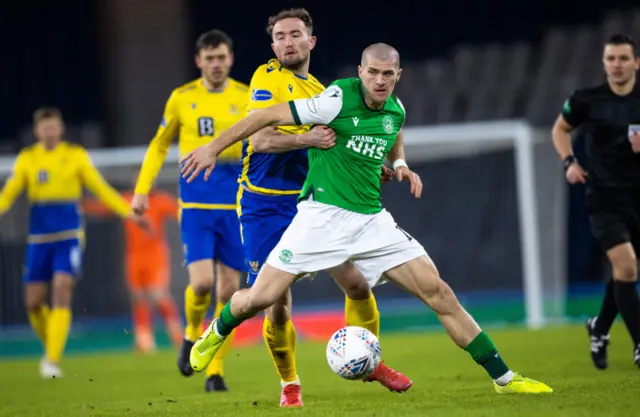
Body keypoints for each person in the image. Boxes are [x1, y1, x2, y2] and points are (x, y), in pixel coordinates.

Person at [182, 43, 553, 397]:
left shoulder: (396, 109)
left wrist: (400, 164)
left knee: (439, 292)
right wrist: (214, 148)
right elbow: (265, 116)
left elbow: (393, 131)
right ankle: (216, 331)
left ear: (397, 75)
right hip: (320, 220)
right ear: (361, 72)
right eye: (372, 72)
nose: (379, 80)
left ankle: (504, 378)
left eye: (387, 74)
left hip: (372, 223)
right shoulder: (337, 99)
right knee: (261, 298)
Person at [236, 8, 406, 407]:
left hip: (313, 206)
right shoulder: (267, 78)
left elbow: (342, 141)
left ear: (311, 42)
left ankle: (372, 361)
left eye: (295, 34)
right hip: (264, 206)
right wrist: (307, 139)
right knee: (275, 306)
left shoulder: (319, 89)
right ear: (273, 45)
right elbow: (260, 141)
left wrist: (375, 164)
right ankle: (289, 384)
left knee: (358, 284)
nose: (287, 42)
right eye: (279, 36)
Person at [131, 29, 247, 392]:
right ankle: (191, 334)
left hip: (238, 208)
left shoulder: (247, 97)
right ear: (199, 61)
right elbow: (159, 144)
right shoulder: (182, 98)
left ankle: (215, 371)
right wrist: (141, 190)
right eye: (209, 58)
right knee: (201, 284)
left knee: (230, 295)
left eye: (222, 57)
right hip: (196, 207)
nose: (216, 64)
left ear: (230, 59)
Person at [0, 107, 144, 378]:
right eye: (45, 127)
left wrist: (128, 212)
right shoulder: (28, 159)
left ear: (61, 128)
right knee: (33, 302)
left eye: (53, 126)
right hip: (39, 238)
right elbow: (8, 194)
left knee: (62, 288)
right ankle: (52, 345)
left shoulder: (75, 155)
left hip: (69, 235)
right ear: (37, 131)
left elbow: (100, 188)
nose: (49, 131)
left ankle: (51, 361)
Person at [552, 33, 640, 370]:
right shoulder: (587, 100)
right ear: (604, 63)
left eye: (622, 58)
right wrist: (569, 162)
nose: (616, 65)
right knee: (627, 265)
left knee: (624, 272)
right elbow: (559, 129)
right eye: (611, 59)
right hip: (604, 198)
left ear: (635, 63)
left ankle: (599, 327)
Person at [82, 170, 182, 353]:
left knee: (158, 294)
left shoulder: (160, 200)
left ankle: (177, 336)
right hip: (134, 256)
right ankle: (144, 340)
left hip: (156, 255)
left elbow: (181, 213)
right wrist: (83, 205)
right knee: (138, 297)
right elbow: (104, 207)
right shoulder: (127, 200)